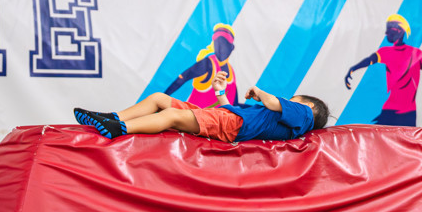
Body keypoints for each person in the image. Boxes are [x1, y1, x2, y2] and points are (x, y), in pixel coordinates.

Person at [74, 73, 328, 143]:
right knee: (160, 98)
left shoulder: (304, 115)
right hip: (228, 117)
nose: (288, 101)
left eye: (293, 98)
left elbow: (271, 102)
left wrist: (259, 92)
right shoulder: (288, 117)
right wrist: (220, 92)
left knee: (171, 115)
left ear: (307, 105)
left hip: (232, 125)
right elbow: (231, 110)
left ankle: (119, 128)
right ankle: (112, 117)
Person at [344, 14, 422, 126]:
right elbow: (370, 60)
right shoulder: (385, 52)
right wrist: (352, 69)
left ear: (400, 31)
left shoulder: (415, 54)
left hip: (407, 114)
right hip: (390, 111)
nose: (386, 33)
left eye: (390, 29)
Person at [165, 23, 238, 107]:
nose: (220, 47)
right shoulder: (208, 63)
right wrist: (163, 98)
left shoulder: (232, 72)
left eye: (224, 44)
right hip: (193, 114)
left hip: (219, 115)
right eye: (217, 43)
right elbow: (181, 79)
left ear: (231, 47)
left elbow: (234, 102)